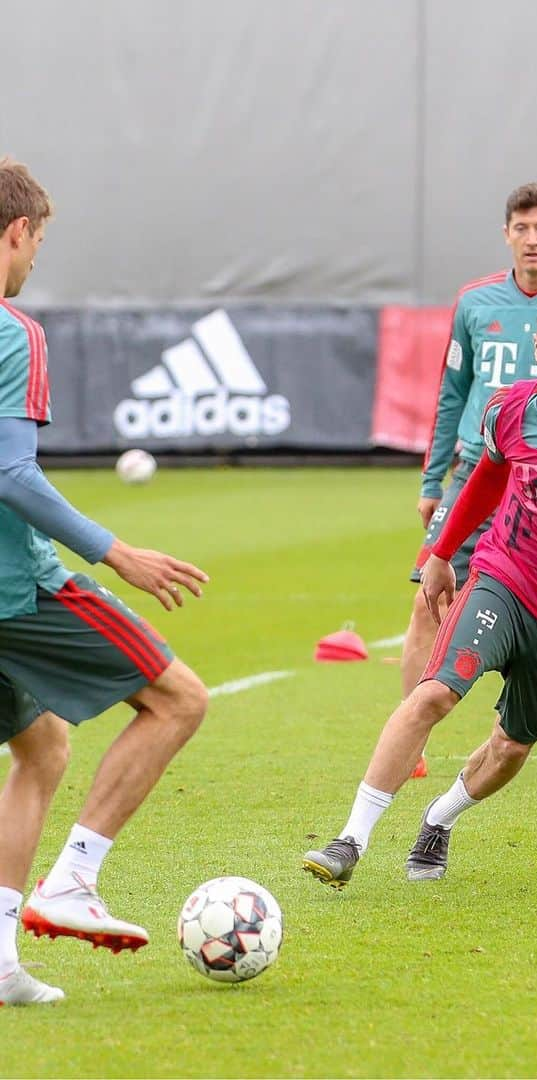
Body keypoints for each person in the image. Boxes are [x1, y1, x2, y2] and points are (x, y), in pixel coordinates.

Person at [303, 290, 537, 887]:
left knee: (511, 748)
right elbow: (485, 480)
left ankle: (438, 819)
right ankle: (350, 841)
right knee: (434, 696)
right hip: (506, 576)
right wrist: (442, 553)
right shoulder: (509, 409)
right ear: (536, 346)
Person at [0, 158, 209, 1005]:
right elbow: (11, 473)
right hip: (18, 588)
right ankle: (71, 882)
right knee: (180, 699)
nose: (35, 257)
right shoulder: (16, 332)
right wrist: (116, 552)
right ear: (17, 233)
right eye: (37, 242)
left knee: (42, 745)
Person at [401, 183, 537, 707]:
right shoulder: (475, 301)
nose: (532, 239)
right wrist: (434, 479)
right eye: (521, 228)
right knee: (427, 596)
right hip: (481, 466)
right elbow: (452, 392)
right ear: (507, 235)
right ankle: (413, 747)